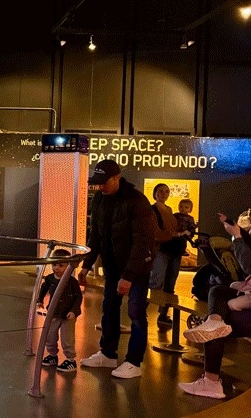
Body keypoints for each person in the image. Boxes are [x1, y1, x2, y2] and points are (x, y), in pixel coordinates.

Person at [179, 214, 251, 399]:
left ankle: (211, 382)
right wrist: (237, 230)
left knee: (222, 322)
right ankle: (213, 320)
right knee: (218, 291)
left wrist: (238, 236)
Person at [78, 159, 156, 379]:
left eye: (104, 182)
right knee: (109, 308)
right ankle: (108, 353)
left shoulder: (137, 201)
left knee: (136, 312)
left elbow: (143, 241)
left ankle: (134, 362)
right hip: (112, 267)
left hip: (137, 267)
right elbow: (96, 235)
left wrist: (129, 276)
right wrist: (86, 264)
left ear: (117, 178)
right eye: (97, 183)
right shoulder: (100, 200)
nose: (100, 187)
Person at [148, 183, 191, 329]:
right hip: (162, 250)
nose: (164, 194)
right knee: (156, 282)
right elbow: (156, 233)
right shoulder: (152, 211)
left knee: (170, 284)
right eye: (160, 191)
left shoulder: (169, 210)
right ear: (155, 193)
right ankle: (139, 312)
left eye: (166, 191)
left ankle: (163, 315)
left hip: (174, 250)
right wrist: (176, 234)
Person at [37, 248, 83, 372]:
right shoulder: (50, 278)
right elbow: (44, 287)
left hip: (68, 315)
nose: (56, 268)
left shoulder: (72, 282)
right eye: (54, 264)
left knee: (67, 338)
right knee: (49, 335)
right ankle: (52, 355)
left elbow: (78, 297)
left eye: (61, 265)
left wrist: (73, 311)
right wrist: (40, 299)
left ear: (68, 266)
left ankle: (70, 360)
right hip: (54, 313)